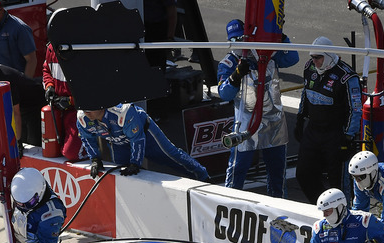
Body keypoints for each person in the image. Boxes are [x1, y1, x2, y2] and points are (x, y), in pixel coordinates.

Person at [217, 19, 299, 198]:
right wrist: (236, 75)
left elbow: (293, 58)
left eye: (241, 39)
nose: (239, 44)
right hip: (246, 125)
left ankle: (279, 213)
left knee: (277, 175)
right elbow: (224, 94)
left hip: (273, 123)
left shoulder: (267, 53)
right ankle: (229, 207)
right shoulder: (228, 63)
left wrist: (280, 36)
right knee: (236, 173)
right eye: (234, 40)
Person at [295, 36, 362, 204]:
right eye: (313, 57)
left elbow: (355, 110)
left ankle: (343, 214)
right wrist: (300, 118)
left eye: (318, 57)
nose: (315, 62)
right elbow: (305, 93)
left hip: (335, 136)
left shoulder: (346, 77)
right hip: (313, 131)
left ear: (329, 55)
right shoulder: (309, 68)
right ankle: (323, 207)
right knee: (303, 174)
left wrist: (348, 137)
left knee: (337, 184)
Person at [77, 104, 209, 181]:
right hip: (117, 142)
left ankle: (204, 176)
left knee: (171, 155)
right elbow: (87, 138)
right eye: (84, 108)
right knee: (121, 173)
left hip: (145, 134)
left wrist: (135, 163)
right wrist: (95, 159)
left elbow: (137, 139)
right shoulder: (82, 118)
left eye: (90, 107)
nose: (86, 111)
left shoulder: (122, 112)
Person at [42, 43, 86, 162]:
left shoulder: (82, 46)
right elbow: (46, 70)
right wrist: (49, 87)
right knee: (52, 149)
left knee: (70, 153)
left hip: (81, 111)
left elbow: (93, 85)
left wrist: (71, 101)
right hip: (59, 108)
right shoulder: (51, 47)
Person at [10, 167, 66, 243]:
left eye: (29, 203)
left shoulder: (51, 214)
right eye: (19, 203)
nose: (23, 207)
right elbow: (2, 175)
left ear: (39, 194)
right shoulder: (23, 178)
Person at [142, 0, 177, 72]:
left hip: (156, 30)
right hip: (138, 27)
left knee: (157, 64)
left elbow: (172, 12)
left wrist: (170, 37)